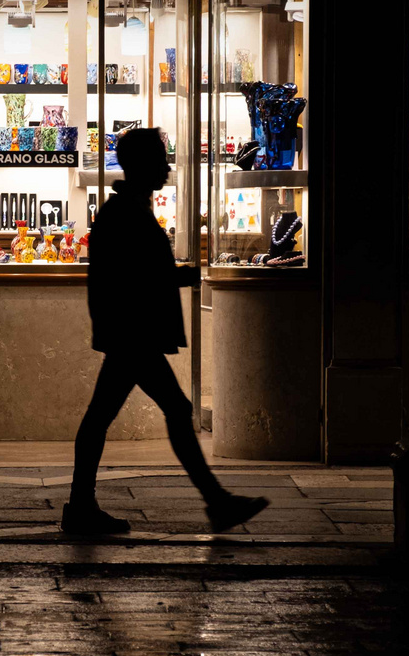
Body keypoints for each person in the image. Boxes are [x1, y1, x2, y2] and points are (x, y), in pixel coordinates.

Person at [63, 128, 268, 535]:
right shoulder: (125, 214)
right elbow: (127, 278)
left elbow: (129, 274)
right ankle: (216, 502)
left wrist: (172, 276)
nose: (166, 166)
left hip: (130, 335)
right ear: (142, 165)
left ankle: (82, 505)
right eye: (160, 158)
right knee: (166, 410)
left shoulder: (125, 210)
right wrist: (175, 277)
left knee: (104, 417)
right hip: (133, 335)